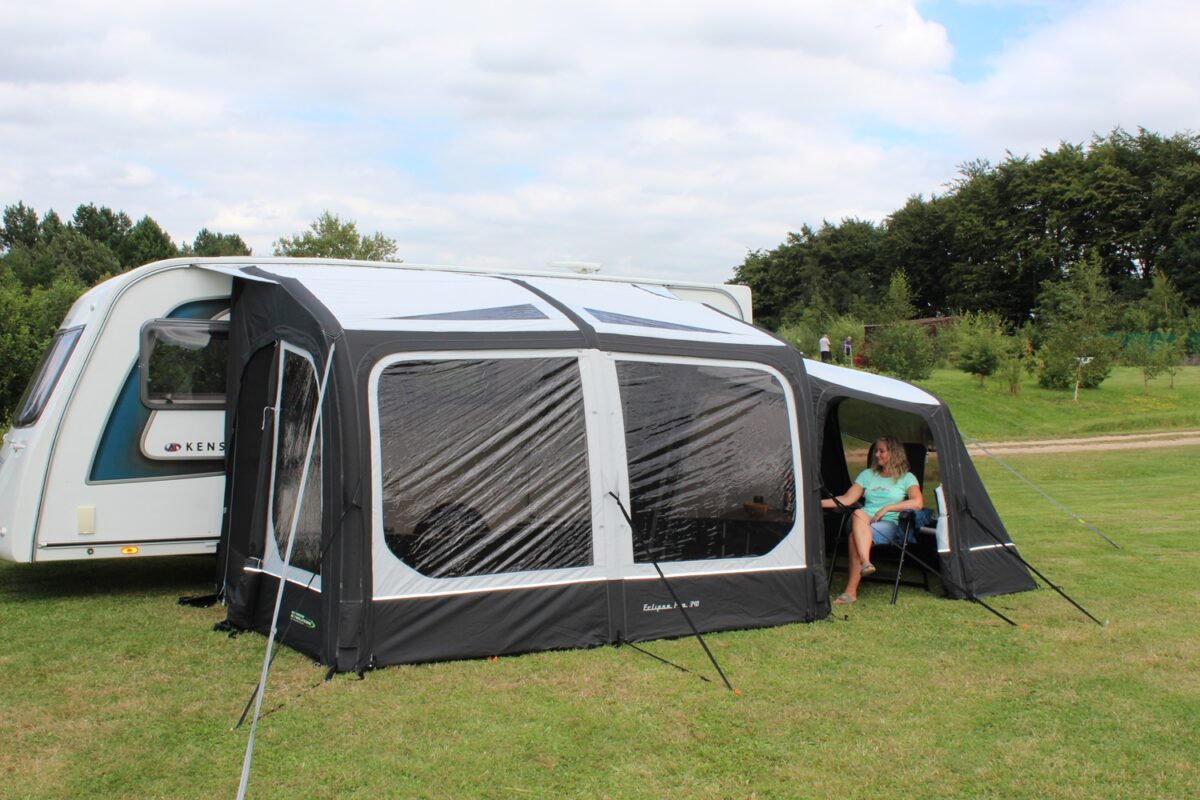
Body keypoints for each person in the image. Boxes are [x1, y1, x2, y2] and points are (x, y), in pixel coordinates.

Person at [821, 435, 924, 605]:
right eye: (876, 450)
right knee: (859, 513)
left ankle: (851, 592)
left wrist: (888, 508)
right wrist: (817, 503)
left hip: (887, 523)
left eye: (881, 451)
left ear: (894, 453)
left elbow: (918, 503)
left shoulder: (907, 478)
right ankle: (865, 562)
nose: (876, 455)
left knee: (854, 537)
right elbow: (847, 499)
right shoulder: (867, 475)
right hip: (861, 520)